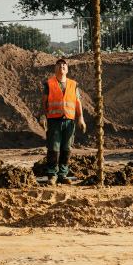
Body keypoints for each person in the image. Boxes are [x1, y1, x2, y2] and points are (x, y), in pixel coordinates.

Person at [41, 55, 86, 185]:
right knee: (53, 148)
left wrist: (81, 118)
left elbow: (78, 102)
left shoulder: (73, 84)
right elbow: (44, 102)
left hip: (69, 121)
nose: (62, 67)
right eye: (59, 65)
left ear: (67, 69)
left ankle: (62, 174)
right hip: (54, 121)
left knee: (67, 148)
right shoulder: (49, 84)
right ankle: (52, 175)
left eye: (64, 65)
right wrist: (43, 115)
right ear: (55, 69)